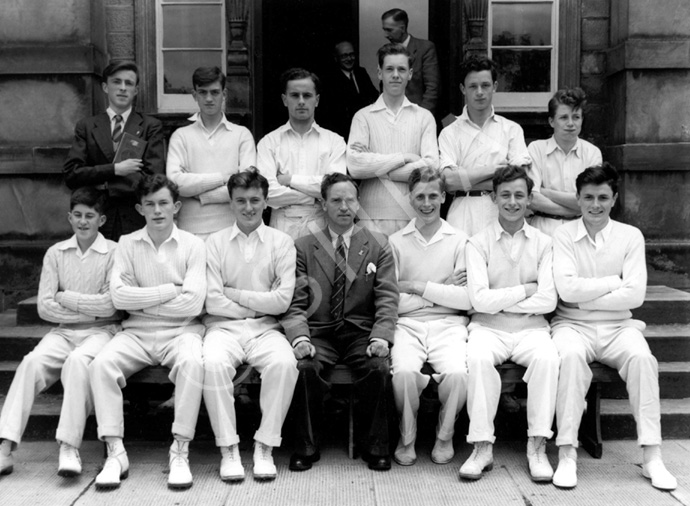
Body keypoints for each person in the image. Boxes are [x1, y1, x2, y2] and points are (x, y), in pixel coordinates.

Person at [551, 163, 676, 491]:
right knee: (570, 360)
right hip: (571, 326)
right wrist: (611, 284)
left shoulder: (630, 236)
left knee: (642, 359)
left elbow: (634, 294)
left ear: (614, 199)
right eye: (588, 197)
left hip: (619, 327)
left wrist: (587, 297)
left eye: (603, 197)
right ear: (577, 199)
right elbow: (566, 292)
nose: (595, 204)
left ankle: (653, 456)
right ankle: (567, 453)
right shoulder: (563, 235)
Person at [89, 174, 206, 490]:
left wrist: (141, 298)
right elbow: (118, 297)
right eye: (150, 204)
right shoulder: (127, 243)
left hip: (182, 332)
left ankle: (179, 450)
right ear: (140, 208)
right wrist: (170, 289)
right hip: (136, 333)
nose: (157, 211)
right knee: (101, 365)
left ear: (176, 206)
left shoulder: (194, 245)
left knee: (194, 365)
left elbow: (193, 304)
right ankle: (115, 453)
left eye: (164, 203)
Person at [282, 173, 398, 472]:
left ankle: (375, 446)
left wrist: (380, 337)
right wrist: (300, 338)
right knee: (306, 367)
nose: (344, 206)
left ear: (358, 203)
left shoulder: (377, 244)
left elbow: (387, 297)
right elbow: (296, 302)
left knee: (378, 367)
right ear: (323, 204)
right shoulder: (304, 247)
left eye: (350, 199)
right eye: (336, 200)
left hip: (361, 331)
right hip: (320, 332)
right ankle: (306, 446)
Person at [0, 188, 120, 477]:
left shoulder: (114, 252)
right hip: (63, 332)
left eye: (89, 216)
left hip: (101, 333)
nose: (83, 222)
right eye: (77, 215)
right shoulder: (56, 253)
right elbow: (44, 307)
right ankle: (5, 447)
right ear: (69, 217)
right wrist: (86, 308)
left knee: (78, 362)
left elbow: (111, 306)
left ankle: (69, 446)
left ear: (101, 219)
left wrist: (66, 298)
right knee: (30, 363)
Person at [460, 165, 559, 483]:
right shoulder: (477, 243)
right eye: (505, 195)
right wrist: (524, 290)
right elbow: (479, 302)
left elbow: (548, 301)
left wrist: (502, 298)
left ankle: (537, 446)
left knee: (547, 358)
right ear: (493, 198)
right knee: (477, 358)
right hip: (488, 327)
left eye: (520, 195)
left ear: (530, 199)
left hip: (532, 329)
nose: (512, 202)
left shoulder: (545, 243)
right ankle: (481, 447)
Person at [202, 168, 298, 482]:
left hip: (266, 328)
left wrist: (236, 294)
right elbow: (213, 302)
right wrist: (259, 299)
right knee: (213, 363)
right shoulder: (214, 243)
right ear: (230, 203)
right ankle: (228, 448)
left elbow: (282, 301)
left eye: (255, 200)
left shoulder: (282, 242)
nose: (248, 207)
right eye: (240, 200)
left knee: (285, 364)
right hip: (223, 327)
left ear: (266, 201)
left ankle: (265, 445)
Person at [389, 167, 471, 466]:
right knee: (405, 373)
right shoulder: (396, 241)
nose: (427, 203)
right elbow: (392, 302)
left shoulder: (460, 240)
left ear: (444, 196)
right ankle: (407, 436)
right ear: (410, 199)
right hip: (407, 326)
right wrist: (441, 289)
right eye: (420, 196)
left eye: (433, 195)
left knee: (458, 375)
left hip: (449, 324)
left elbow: (464, 298)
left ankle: (444, 435)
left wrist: (413, 286)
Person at [64, 61, 166, 241]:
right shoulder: (87, 127)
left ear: (136, 90)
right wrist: (115, 170)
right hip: (97, 219)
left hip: (135, 218)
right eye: (117, 82)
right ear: (105, 86)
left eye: (129, 83)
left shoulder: (150, 126)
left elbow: (154, 178)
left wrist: (102, 184)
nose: (122, 88)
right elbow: (72, 174)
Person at [347, 43, 438, 237]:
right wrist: (404, 157)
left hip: (414, 217)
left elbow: (430, 168)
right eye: (389, 69)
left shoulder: (423, 117)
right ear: (380, 73)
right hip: (370, 216)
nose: (395, 75)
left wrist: (383, 171)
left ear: (410, 74)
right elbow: (355, 165)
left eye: (401, 69)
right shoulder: (363, 117)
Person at [440, 55, 531, 237]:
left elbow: (519, 181)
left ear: (495, 86)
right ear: (462, 89)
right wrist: (497, 170)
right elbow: (449, 182)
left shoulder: (511, 129)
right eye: (473, 86)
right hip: (462, 215)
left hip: (501, 213)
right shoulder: (450, 132)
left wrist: (464, 179)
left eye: (485, 85)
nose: (479, 92)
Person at [167, 66, 256, 239]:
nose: (209, 98)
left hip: (232, 229)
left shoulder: (241, 135)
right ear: (194, 95)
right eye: (203, 92)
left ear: (224, 94)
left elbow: (245, 185)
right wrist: (224, 177)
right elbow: (175, 184)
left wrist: (198, 194)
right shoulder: (181, 136)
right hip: (190, 231)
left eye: (215, 92)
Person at [257, 68, 346, 240]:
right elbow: (266, 193)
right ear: (284, 99)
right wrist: (315, 197)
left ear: (317, 100)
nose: (301, 101)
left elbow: (336, 189)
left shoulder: (335, 142)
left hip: (322, 227)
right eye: (294, 95)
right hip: (281, 228)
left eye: (307, 95)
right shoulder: (269, 142)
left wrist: (290, 180)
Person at [528, 88, 602, 236]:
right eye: (563, 117)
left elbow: (591, 200)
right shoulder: (536, 149)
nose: (570, 123)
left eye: (576, 117)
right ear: (551, 121)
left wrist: (546, 192)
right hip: (543, 232)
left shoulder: (592, 153)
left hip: (581, 232)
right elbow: (532, 199)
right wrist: (575, 207)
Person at [381, 8, 439, 115]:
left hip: (417, 114)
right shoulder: (385, 51)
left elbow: (432, 88)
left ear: (402, 28)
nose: (385, 35)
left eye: (389, 30)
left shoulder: (425, 48)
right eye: (384, 29)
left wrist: (422, 117)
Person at [320, 41, 379, 140]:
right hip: (342, 134)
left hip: (364, 130)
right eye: (344, 56)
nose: (349, 59)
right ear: (336, 58)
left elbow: (373, 95)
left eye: (351, 55)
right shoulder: (329, 79)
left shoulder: (361, 73)